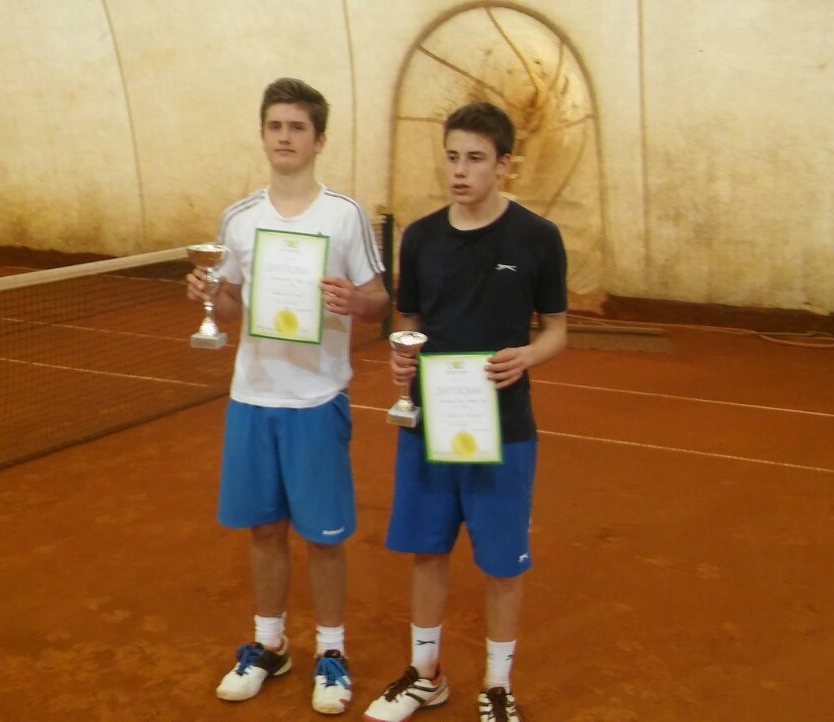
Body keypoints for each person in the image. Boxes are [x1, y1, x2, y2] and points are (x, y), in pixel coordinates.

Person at [187, 77, 388, 715]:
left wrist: (355, 301)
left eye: (297, 127)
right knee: (265, 529)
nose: (284, 137)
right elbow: (232, 306)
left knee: (324, 536)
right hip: (253, 398)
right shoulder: (239, 219)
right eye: (275, 125)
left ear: (319, 139)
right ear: (263, 134)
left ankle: (331, 652)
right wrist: (208, 295)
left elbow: (380, 299)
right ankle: (270, 644)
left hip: (317, 400)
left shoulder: (345, 216)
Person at [362, 102, 568, 722]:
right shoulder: (421, 238)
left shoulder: (537, 238)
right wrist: (402, 362)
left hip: (504, 429)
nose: (460, 170)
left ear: (505, 165)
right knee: (428, 551)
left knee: (502, 563)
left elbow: (557, 330)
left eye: (475, 159)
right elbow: (409, 324)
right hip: (430, 425)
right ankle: (425, 675)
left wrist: (527, 355)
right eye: (452, 157)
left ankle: (497, 685)